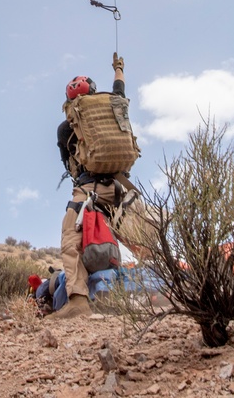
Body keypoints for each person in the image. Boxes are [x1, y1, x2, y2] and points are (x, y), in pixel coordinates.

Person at [51, 53, 154, 320]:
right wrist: (118, 68)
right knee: (145, 242)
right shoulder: (115, 104)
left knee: (71, 241)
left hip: (87, 191)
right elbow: (120, 87)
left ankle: (77, 301)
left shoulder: (66, 128)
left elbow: (69, 164)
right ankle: (167, 289)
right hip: (122, 189)